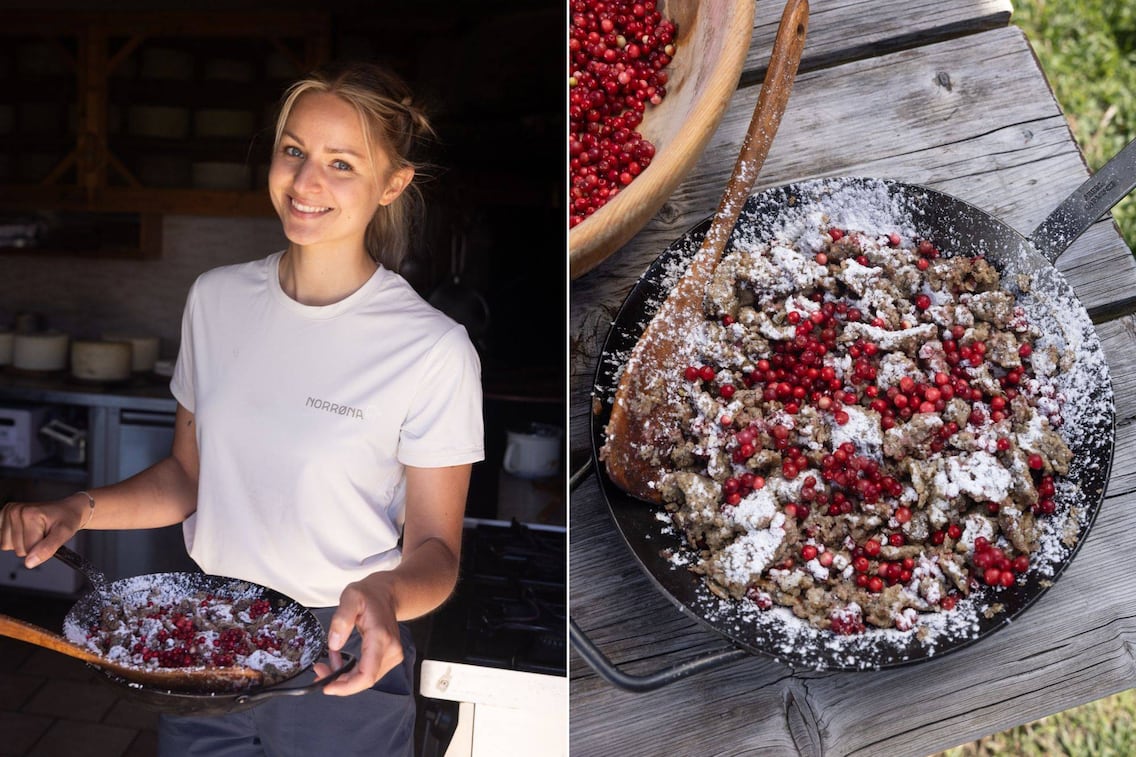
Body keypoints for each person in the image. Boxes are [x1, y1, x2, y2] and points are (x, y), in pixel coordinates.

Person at [0, 60, 484, 756]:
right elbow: (186, 478)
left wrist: (385, 594)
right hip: (204, 634)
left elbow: (436, 551)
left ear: (392, 184)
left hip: (338, 653)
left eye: (341, 163)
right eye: (294, 151)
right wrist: (77, 508)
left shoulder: (433, 349)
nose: (306, 181)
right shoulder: (216, 300)